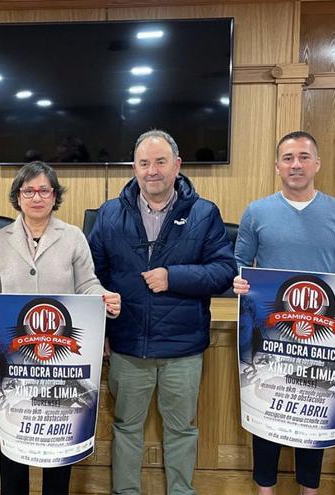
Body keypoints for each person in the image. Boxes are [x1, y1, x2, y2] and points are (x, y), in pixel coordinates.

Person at [233, 130, 335, 495]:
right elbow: (239, 263)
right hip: (271, 333)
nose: (296, 164)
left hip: (322, 333)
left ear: (317, 164)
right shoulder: (257, 212)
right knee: (268, 409)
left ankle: (310, 489)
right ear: (277, 166)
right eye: (288, 158)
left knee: (313, 409)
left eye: (304, 157)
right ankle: (265, 489)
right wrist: (238, 281)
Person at [88, 129, 237, 495]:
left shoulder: (204, 213)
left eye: (160, 162)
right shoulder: (109, 214)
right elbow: (91, 277)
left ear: (177, 165)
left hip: (182, 348)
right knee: (125, 428)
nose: (151, 171)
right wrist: (101, 331)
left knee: (182, 429)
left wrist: (174, 277)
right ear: (134, 168)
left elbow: (224, 272)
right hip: (127, 345)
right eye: (143, 163)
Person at [0, 161, 122, 495]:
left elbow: (88, 285)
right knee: (15, 447)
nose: (36, 197)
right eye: (28, 190)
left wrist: (104, 297)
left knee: (57, 449)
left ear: (54, 196)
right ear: (18, 196)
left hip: (59, 365)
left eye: (43, 190)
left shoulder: (73, 236)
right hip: (15, 365)